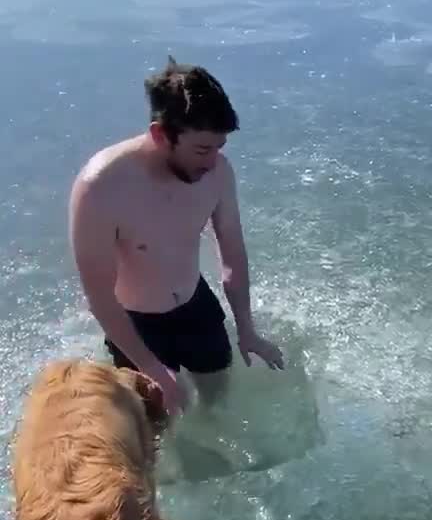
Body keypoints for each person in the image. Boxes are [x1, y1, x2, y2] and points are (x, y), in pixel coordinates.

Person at [69, 57, 283, 418]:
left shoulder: (217, 174)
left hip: (196, 309)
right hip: (137, 325)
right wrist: (153, 370)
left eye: (219, 148)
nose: (213, 161)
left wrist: (247, 330)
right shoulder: (101, 188)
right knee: (155, 429)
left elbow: (233, 256)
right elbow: (100, 297)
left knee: (218, 405)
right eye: (202, 150)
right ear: (160, 134)